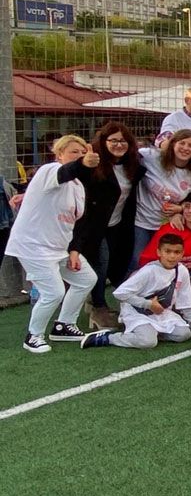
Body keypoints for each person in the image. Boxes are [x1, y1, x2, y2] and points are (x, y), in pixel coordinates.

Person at [7, 135, 100, 352]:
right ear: (59, 155)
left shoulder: (78, 186)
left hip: (59, 248)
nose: (79, 155)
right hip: (33, 245)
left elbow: (78, 223)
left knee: (87, 279)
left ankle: (64, 325)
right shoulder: (49, 171)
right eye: (73, 151)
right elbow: (66, 171)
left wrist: (75, 250)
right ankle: (33, 336)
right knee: (54, 292)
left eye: (81, 151)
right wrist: (83, 163)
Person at [73, 121, 144, 331]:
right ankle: (99, 307)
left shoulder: (133, 165)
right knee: (100, 263)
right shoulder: (93, 164)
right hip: (93, 226)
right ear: (103, 142)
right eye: (112, 140)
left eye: (122, 140)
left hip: (117, 224)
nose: (118, 145)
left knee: (115, 263)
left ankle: (94, 301)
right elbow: (68, 179)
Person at [82, 234, 191, 350]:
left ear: (182, 253)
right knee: (148, 342)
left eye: (176, 252)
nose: (172, 256)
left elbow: (186, 300)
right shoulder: (149, 270)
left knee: (184, 334)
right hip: (137, 312)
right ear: (159, 252)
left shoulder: (182, 270)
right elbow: (120, 293)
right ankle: (108, 338)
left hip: (160, 312)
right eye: (167, 251)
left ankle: (150, 332)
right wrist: (147, 304)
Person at [131, 130, 191, 272]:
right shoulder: (152, 157)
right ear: (172, 144)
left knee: (163, 263)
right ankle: (127, 292)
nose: (185, 148)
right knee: (137, 260)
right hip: (142, 221)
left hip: (168, 225)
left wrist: (180, 209)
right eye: (181, 143)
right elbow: (130, 152)